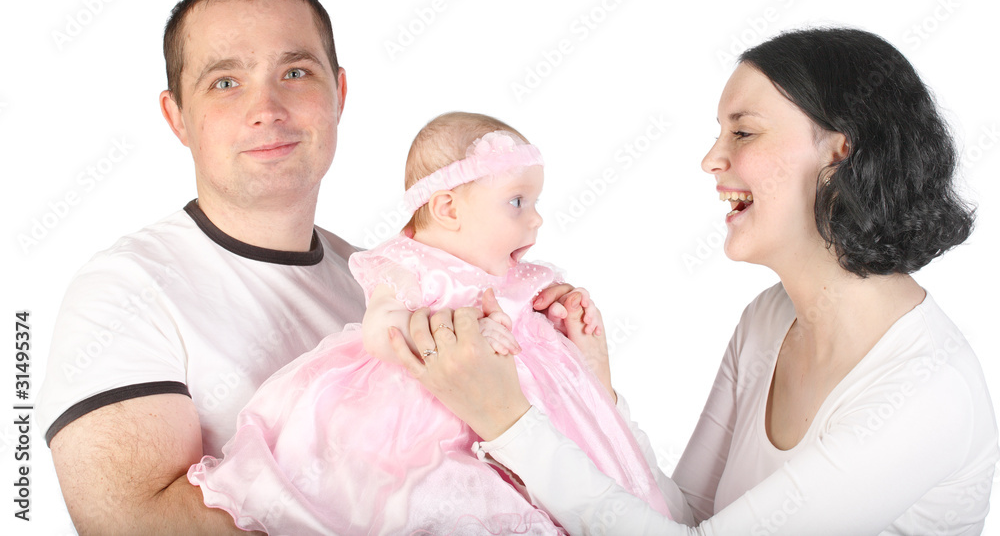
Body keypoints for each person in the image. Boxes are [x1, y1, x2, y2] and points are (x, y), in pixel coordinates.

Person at [394, 28, 1000, 534]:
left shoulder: (927, 392)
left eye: (743, 131)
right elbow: (683, 517)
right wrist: (595, 392)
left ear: (840, 153)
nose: (711, 159)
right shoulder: (770, 318)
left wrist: (508, 422)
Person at [186, 112, 690, 534]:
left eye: (534, 204)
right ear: (447, 208)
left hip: (527, 418)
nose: (535, 220)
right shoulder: (415, 268)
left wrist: (557, 321)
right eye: (517, 202)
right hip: (431, 415)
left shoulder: (517, 276)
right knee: (454, 500)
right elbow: (381, 326)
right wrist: (454, 329)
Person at [36, 0, 367, 535]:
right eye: (225, 82)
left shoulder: (387, 282)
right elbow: (135, 523)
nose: (267, 107)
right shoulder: (125, 292)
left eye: (295, 71)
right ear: (177, 117)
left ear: (338, 94)